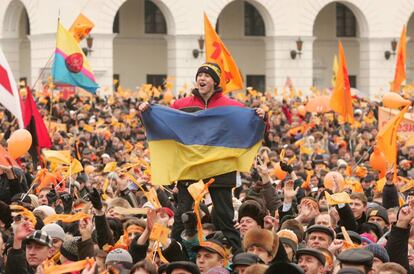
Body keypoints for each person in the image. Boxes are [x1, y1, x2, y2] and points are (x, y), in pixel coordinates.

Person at [139, 62, 266, 252]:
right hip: (190, 167)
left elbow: (250, 125)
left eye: (206, 76)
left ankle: (239, 257)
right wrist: (147, 113)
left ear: (215, 81)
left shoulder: (230, 106)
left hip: (220, 168)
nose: (201, 79)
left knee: (224, 215)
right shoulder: (181, 105)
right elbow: (164, 124)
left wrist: (262, 117)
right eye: (199, 75)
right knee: (183, 213)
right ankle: (175, 254)